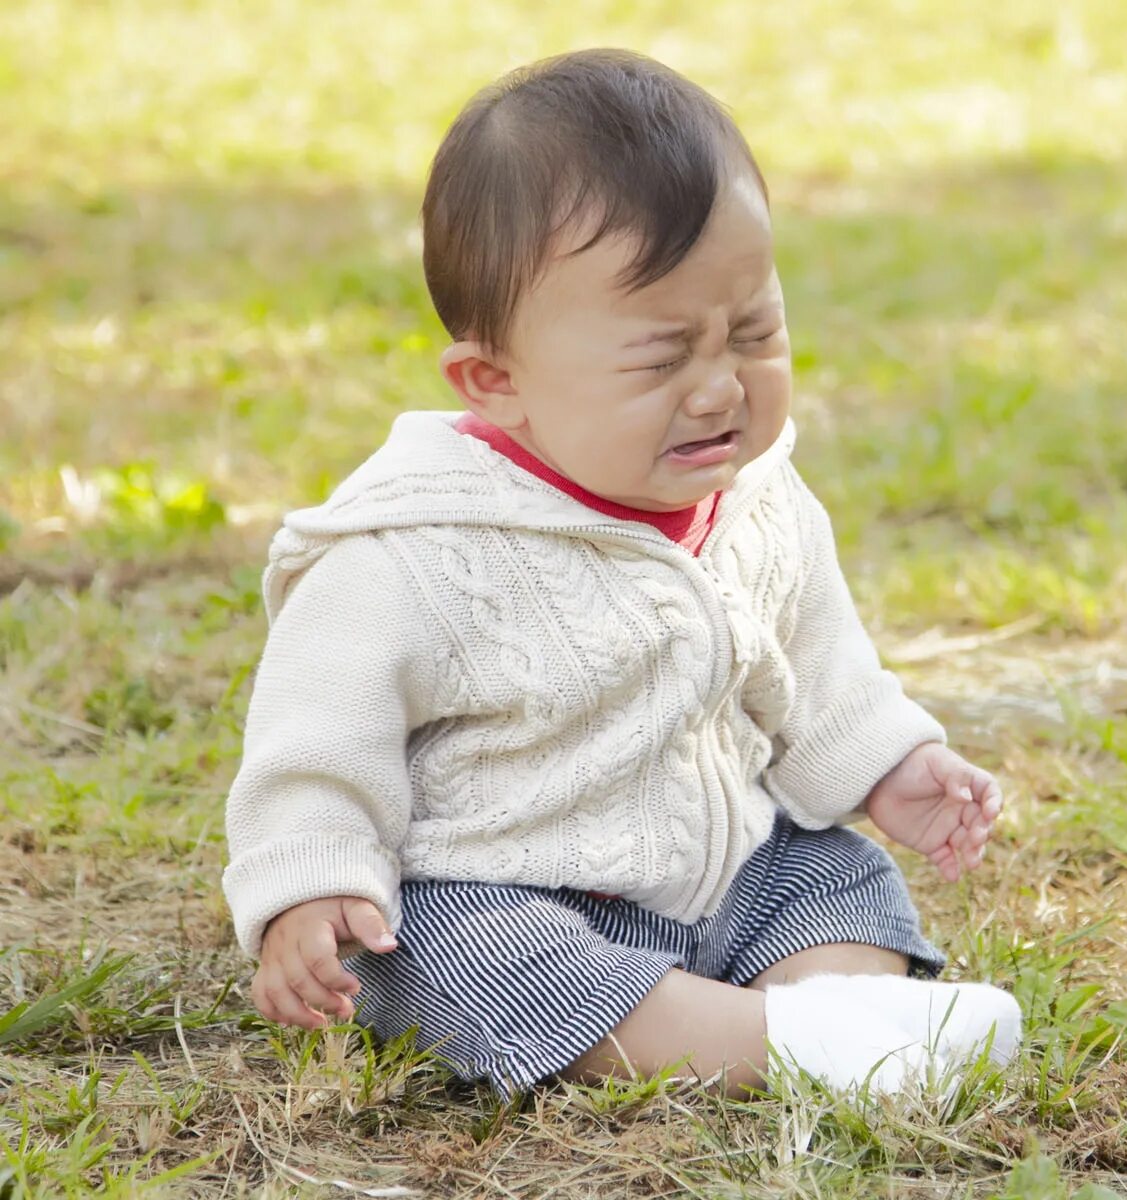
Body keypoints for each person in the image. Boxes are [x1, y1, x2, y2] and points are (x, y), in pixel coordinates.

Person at [221, 47, 1021, 1101]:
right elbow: (313, 745)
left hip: (722, 875)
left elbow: (821, 668)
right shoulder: (411, 549)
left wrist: (888, 765)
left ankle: (812, 1020)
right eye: (659, 360)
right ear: (495, 381)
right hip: (503, 891)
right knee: (451, 965)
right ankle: (799, 1046)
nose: (718, 388)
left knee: (833, 871)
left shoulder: (761, 503)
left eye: (753, 331)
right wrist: (310, 888)